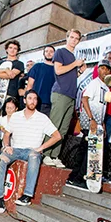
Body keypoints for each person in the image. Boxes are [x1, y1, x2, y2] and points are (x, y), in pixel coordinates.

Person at [0, 91, 62, 213]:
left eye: (35, 99)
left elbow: (57, 136)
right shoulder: (16, 116)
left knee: (35, 157)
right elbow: (7, 134)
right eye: (30, 98)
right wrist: (7, 146)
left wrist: (41, 148)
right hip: (15, 149)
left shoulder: (42, 118)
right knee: (0, 160)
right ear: (24, 100)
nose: (32, 101)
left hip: (32, 151)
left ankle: (27, 196)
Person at [66, 59, 111, 189]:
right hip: (90, 120)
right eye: (102, 68)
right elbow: (85, 99)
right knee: (89, 150)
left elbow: (102, 106)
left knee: (85, 149)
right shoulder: (94, 83)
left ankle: (74, 177)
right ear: (98, 69)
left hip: (97, 121)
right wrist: (91, 119)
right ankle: (79, 177)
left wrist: (101, 122)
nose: (105, 71)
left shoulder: (106, 87)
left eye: (107, 69)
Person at [45, 30, 84, 167]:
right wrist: (75, 65)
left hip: (71, 94)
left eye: (76, 38)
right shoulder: (61, 52)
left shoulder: (74, 56)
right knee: (55, 124)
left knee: (63, 128)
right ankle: (46, 153)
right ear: (67, 38)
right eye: (71, 37)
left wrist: (79, 71)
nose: (74, 40)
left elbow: (70, 76)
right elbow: (58, 70)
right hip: (60, 93)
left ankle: (55, 155)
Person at [26, 46, 56, 116]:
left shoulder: (57, 69)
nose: (49, 53)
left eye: (51, 52)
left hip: (51, 103)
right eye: (46, 51)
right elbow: (30, 85)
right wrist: (28, 99)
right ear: (43, 53)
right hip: (36, 101)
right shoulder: (37, 66)